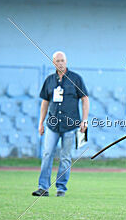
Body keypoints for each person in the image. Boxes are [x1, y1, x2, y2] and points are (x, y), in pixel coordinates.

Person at [32, 51, 89, 197]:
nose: (60, 63)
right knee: (47, 154)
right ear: (53, 63)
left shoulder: (76, 79)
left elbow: (85, 99)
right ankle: (43, 187)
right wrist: (41, 123)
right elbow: (45, 102)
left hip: (70, 125)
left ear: (66, 61)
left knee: (65, 157)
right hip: (52, 125)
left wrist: (85, 119)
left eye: (62, 60)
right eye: (57, 61)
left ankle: (61, 188)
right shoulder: (49, 80)